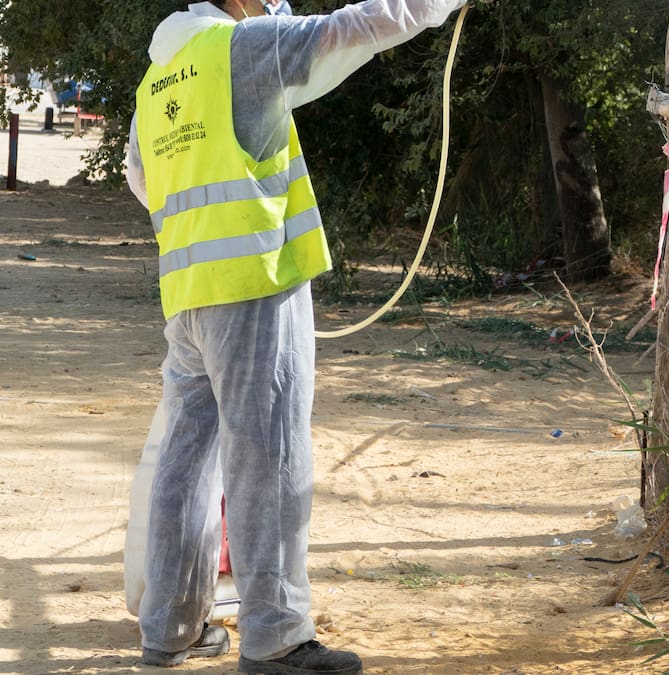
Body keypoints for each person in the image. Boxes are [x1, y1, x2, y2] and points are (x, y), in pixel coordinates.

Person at [124, 0, 469, 672]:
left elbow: (143, 177)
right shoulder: (242, 46)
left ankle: (168, 626)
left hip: (189, 291)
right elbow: (353, 29)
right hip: (255, 281)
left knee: (186, 461)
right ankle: (276, 635)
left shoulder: (159, 72)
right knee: (268, 455)